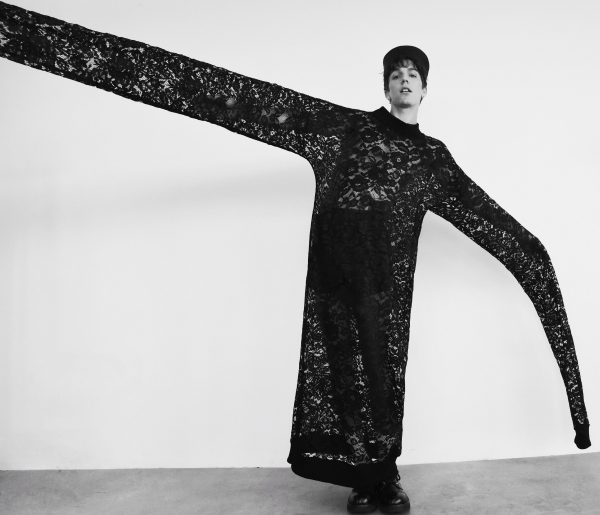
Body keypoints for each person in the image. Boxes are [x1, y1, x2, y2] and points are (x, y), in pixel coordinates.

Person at [0, 3, 591, 514]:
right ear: (385, 87)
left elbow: (495, 226)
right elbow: (221, 95)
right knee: (344, 384)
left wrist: (536, 258)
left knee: (383, 380)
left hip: (384, 290)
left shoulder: (433, 160)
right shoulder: (341, 130)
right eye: (395, 73)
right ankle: (366, 481)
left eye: (413, 73)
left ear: (426, 88)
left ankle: (384, 474)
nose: (404, 79)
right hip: (335, 280)